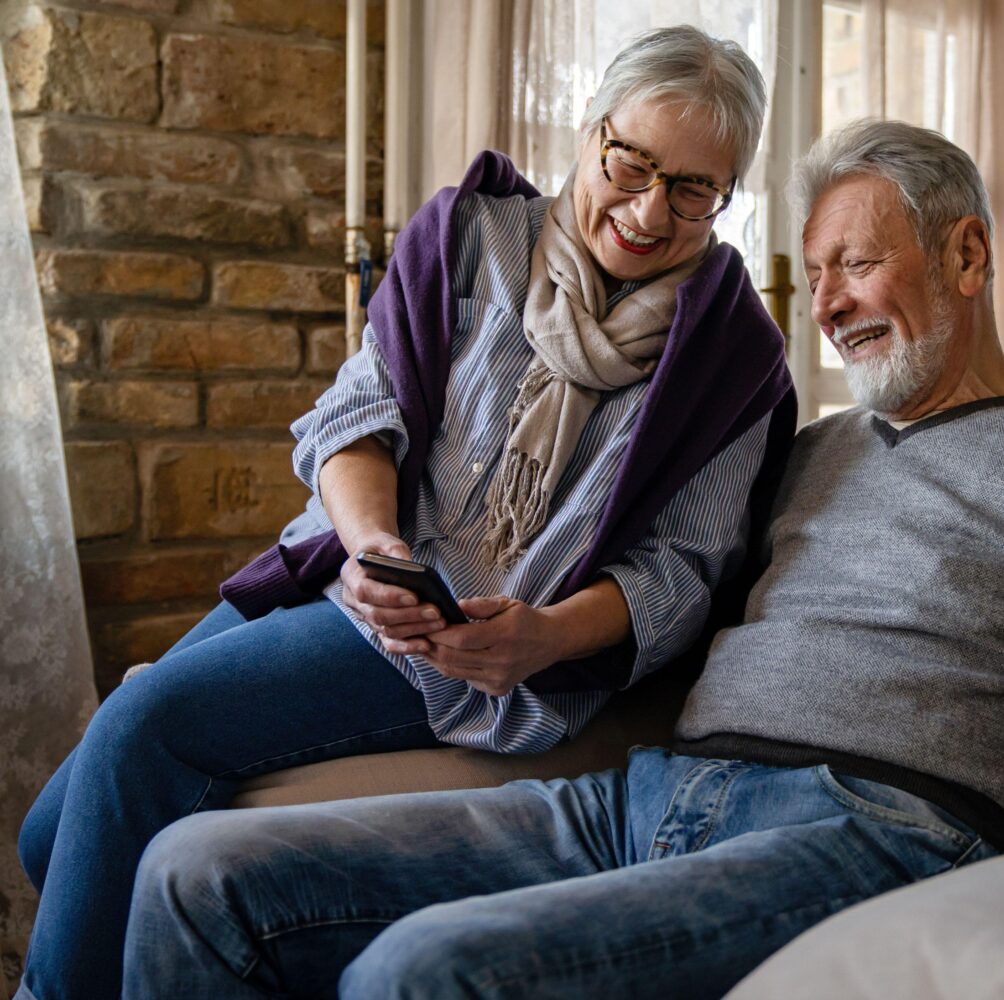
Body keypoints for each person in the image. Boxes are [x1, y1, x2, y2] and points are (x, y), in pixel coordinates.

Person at [119, 121, 1004, 1000]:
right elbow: (661, 589)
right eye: (820, 277)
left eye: (861, 261)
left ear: (967, 255)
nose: (835, 304)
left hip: (878, 827)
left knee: (425, 972)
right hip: (646, 797)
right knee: (195, 875)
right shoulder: (813, 446)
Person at [14, 26, 793, 1000]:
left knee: (144, 729)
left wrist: (543, 637)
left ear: (726, 198)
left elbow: (682, 572)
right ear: (593, 132)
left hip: (469, 650)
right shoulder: (475, 235)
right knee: (52, 833)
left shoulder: (738, 357)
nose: (647, 209)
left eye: (692, 189)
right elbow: (358, 413)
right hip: (348, 568)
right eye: (631, 161)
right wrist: (373, 542)